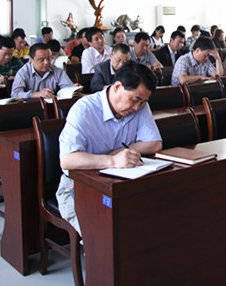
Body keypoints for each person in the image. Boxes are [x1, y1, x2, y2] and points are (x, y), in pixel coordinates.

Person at [57, 61, 162, 235]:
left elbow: (154, 143)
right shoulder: (84, 109)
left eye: (143, 102)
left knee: (151, 221)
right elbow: (67, 160)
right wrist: (112, 160)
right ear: (118, 87)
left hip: (121, 182)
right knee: (104, 234)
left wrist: (119, 153)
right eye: (135, 99)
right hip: (78, 186)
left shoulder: (140, 106)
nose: (137, 107)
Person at [10, 43, 77, 99]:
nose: (46, 62)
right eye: (41, 60)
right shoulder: (23, 72)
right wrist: (35, 94)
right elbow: (15, 94)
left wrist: (73, 89)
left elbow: (68, 88)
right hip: (30, 107)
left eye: (49, 58)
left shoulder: (57, 71)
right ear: (31, 60)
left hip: (52, 106)